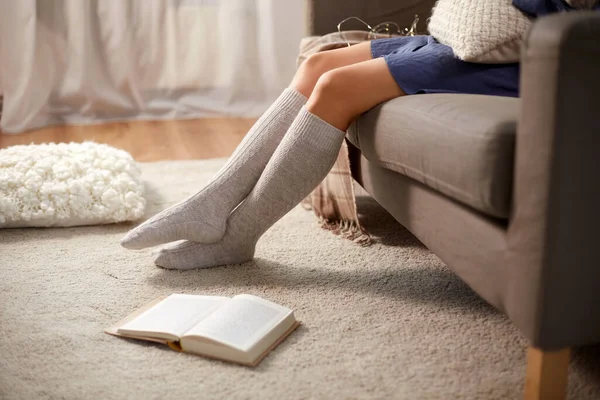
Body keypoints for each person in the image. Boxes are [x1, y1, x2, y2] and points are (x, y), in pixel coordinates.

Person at [120, 0, 592, 270]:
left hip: (524, 55)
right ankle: (214, 202)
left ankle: (239, 234)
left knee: (336, 85)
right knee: (319, 62)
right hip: (475, 35)